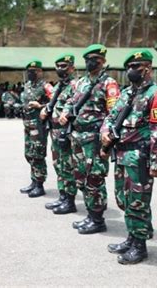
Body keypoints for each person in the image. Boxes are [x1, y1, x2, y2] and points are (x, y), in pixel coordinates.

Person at [101, 49, 157, 264]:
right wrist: (104, 132)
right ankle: (131, 237)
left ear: (147, 68)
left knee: (138, 201)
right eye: (128, 67)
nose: (131, 71)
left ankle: (139, 246)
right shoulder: (127, 93)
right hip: (121, 153)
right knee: (124, 198)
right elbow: (111, 117)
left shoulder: (156, 95)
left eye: (135, 67)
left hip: (140, 155)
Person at [59, 44, 120, 234]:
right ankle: (90, 214)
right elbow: (71, 101)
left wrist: (106, 136)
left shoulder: (109, 83)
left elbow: (114, 112)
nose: (90, 62)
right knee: (81, 177)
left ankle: (97, 219)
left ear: (102, 61)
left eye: (94, 59)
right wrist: (65, 113)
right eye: (87, 59)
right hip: (77, 136)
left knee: (94, 178)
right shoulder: (80, 82)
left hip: (94, 137)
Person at [41, 53, 79, 214]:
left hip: (67, 132)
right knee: (59, 165)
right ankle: (63, 196)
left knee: (68, 166)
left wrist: (67, 113)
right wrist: (45, 108)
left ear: (72, 67)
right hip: (55, 131)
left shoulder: (76, 85)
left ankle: (70, 201)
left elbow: (77, 105)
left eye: (64, 66)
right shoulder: (58, 86)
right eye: (58, 66)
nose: (60, 69)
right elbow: (53, 104)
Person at [19, 60, 53, 198]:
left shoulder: (46, 86)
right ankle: (33, 181)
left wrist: (40, 106)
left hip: (39, 125)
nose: (31, 74)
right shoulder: (27, 85)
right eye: (29, 71)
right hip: (28, 124)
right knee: (29, 153)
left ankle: (39, 184)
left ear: (40, 72)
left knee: (38, 153)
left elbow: (56, 101)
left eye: (34, 71)